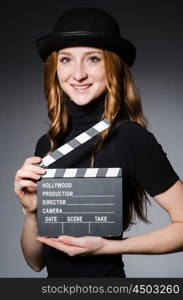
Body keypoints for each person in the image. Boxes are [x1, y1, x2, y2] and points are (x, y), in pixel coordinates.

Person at [14, 7, 183, 278]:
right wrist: (30, 212)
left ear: (112, 67)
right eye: (66, 60)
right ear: (55, 68)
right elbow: (36, 262)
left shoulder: (130, 138)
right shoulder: (46, 145)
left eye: (93, 59)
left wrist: (108, 247)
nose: (78, 74)